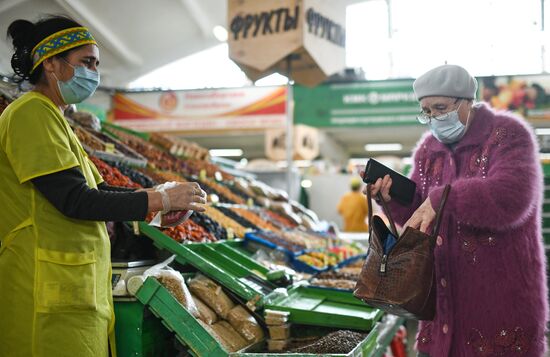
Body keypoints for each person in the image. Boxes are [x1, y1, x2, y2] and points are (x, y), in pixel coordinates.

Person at [0, 16, 207, 357]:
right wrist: (158, 197)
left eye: (96, 63)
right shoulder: (30, 114)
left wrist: (159, 207)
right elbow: (75, 200)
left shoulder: (56, 118)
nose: (94, 72)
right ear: (50, 63)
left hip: (68, 282)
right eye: (86, 62)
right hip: (42, 283)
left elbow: (102, 193)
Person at [367, 64, 548, 356]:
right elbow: (420, 212)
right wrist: (392, 199)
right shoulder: (428, 149)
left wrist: (442, 199)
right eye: (427, 111)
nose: (434, 118)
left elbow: (512, 198)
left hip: (499, 309)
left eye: (440, 107)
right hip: (442, 307)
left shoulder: (508, 135)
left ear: (467, 101)